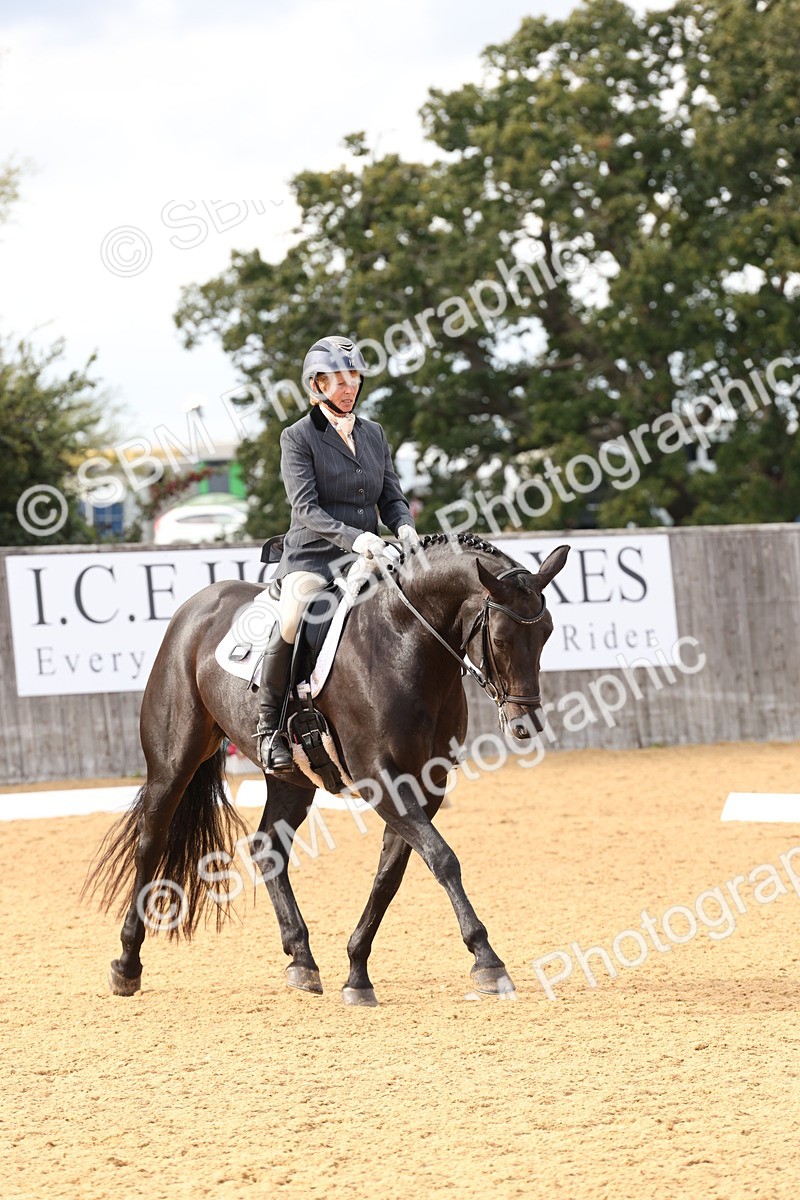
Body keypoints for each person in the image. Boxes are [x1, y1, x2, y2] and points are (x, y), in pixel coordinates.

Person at [257, 334, 420, 771]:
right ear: (316, 385)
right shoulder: (297, 437)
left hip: (369, 557)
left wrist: (403, 526)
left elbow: (391, 495)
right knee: (293, 617)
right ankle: (270, 725)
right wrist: (357, 538)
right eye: (338, 379)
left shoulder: (373, 433)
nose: (348, 386)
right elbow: (305, 509)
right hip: (312, 558)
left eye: (354, 378)